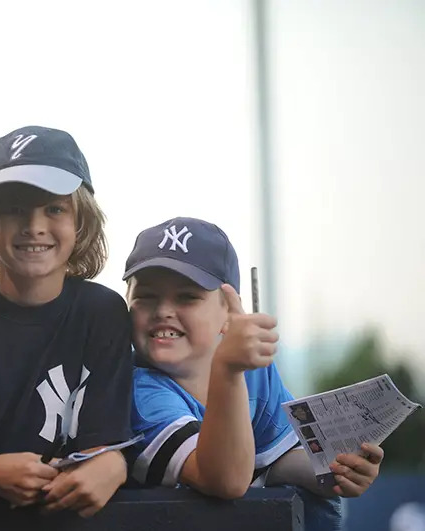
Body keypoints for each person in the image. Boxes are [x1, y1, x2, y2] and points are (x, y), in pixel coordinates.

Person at [124, 217, 384, 529]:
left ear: (229, 310)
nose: (163, 310)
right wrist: (229, 369)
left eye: (187, 297)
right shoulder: (134, 390)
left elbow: (277, 460)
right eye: (146, 296)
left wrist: (336, 471)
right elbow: (226, 479)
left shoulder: (255, 373)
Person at [0, 126, 133, 518]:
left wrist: (111, 465)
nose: (34, 226)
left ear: (81, 223)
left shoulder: (102, 313)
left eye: (54, 208)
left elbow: (101, 446)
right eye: (15, 208)